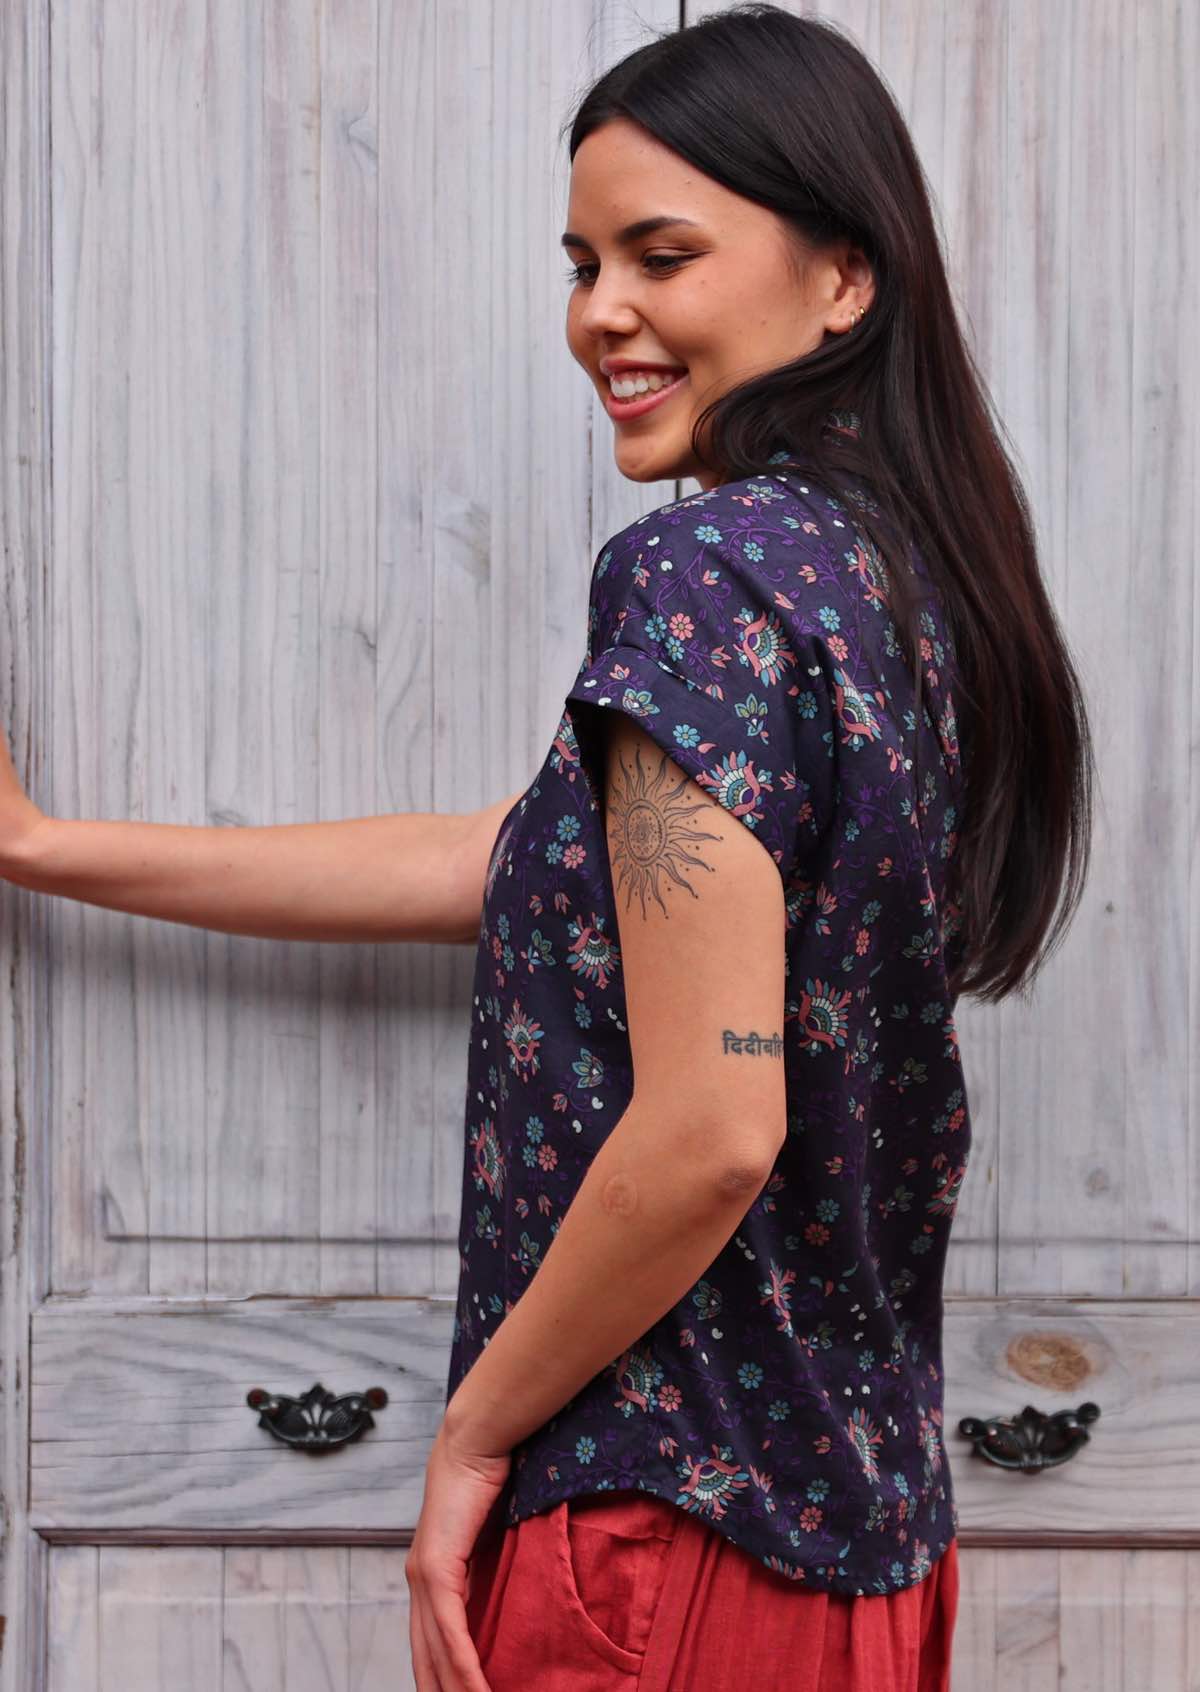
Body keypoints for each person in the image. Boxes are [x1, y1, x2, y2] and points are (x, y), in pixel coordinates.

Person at [0, 7, 1094, 1692]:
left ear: (844, 279)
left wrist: (468, 1440)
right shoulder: (903, 591)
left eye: (662, 253)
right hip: (868, 1566)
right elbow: (509, 866)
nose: (601, 314)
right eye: (582, 261)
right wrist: (45, 843)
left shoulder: (708, 575)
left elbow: (716, 1126)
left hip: (664, 1551)